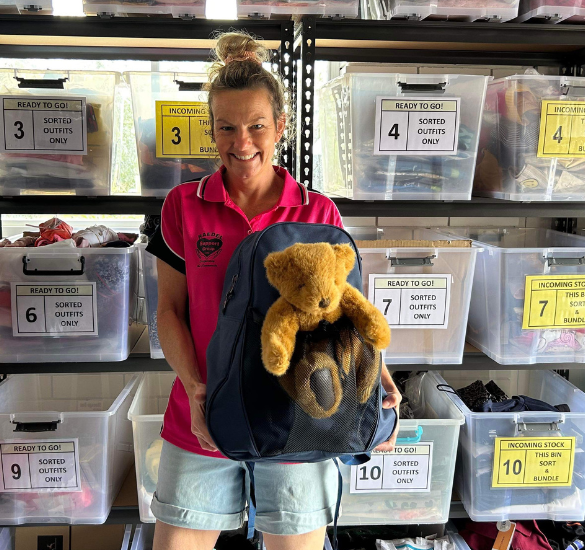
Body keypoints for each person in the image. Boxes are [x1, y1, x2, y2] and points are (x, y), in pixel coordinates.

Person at [145, 32, 401, 550]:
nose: (242, 143)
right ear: (211, 130)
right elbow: (169, 313)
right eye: (227, 128)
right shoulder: (181, 206)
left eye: (257, 126)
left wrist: (379, 385)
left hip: (299, 417)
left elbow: (341, 316)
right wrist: (196, 391)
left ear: (280, 127)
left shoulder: (318, 212)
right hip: (205, 414)